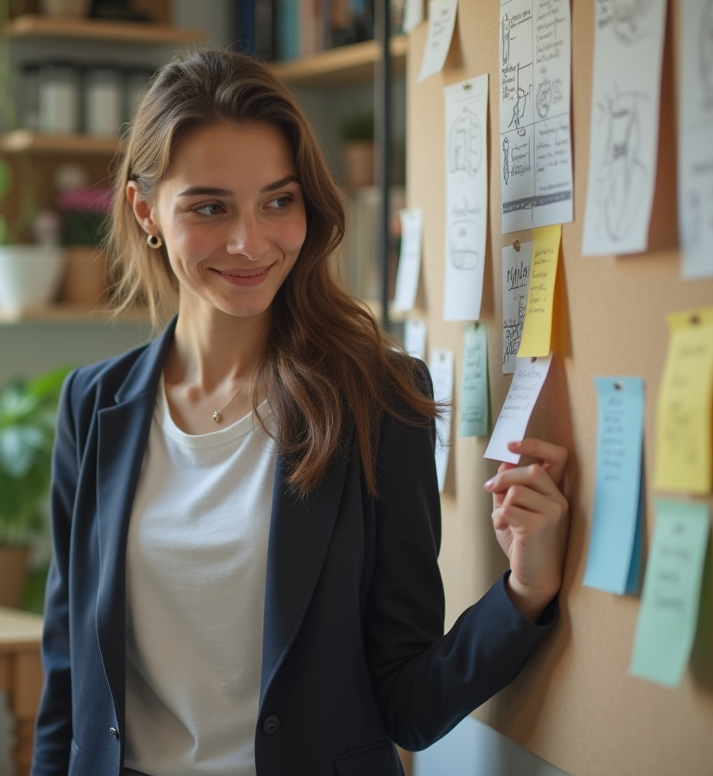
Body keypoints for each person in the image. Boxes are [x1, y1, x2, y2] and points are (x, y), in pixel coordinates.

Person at [31, 50, 570, 776]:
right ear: (144, 210)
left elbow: (405, 701)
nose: (250, 241)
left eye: (278, 201)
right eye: (210, 206)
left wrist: (523, 595)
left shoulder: (378, 401)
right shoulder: (93, 406)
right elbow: (68, 684)